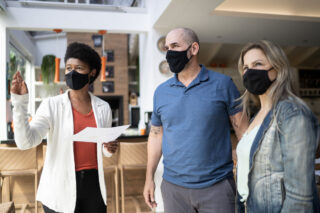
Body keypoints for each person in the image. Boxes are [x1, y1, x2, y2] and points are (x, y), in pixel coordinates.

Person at [143, 27, 248, 213]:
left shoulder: (223, 85)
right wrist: (149, 177)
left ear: (194, 48)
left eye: (175, 46)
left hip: (217, 187)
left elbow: (243, 132)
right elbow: (156, 135)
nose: (170, 53)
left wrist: (248, 173)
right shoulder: (161, 92)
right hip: (173, 189)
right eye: (167, 48)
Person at [11, 42, 118, 213]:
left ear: (92, 73)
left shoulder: (103, 107)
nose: (72, 72)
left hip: (93, 187)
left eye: (79, 68)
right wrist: (19, 103)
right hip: (59, 186)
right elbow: (25, 142)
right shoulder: (51, 105)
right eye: (68, 68)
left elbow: (103, 149)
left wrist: (109, 148)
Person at [236, 40, 320, 213]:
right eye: (246, 67)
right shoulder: (257, 116)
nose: (250, 71)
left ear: (277, 68)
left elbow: (300, 196)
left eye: (258, 64)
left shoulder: (292, 113)